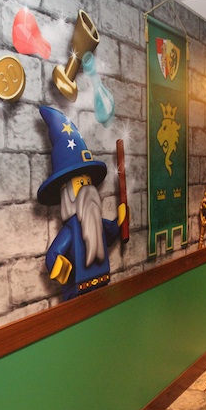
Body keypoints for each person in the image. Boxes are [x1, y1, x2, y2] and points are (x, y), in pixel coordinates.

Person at [36, 106, 126, 300]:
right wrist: (60, 265)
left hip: (103, 284)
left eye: (88, 182)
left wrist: (120, 222)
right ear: (67, 194)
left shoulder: (96, 222)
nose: (87, 189)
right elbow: (54, 254)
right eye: (81, 184)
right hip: (78, 292)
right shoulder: (71, 230)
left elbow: (108, 235)